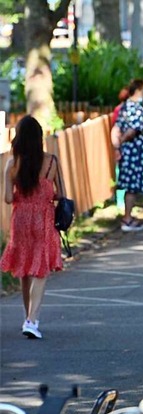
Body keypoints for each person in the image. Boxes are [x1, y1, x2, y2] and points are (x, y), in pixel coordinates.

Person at [1, 115, 64, 339]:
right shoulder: (51, 162)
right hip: (43, 219)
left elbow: (8, 198)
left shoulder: (12, 163)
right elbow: (62, 195)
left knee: (24, 268)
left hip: (20, 220)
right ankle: (32, 319)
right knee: (40, 269)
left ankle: (27, 317)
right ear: (39, 138)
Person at [115, 78, 143, 232]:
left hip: (130, 152)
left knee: (131, 186)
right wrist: (123, 141)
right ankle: (127, 218)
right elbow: (133, 129)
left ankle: (128, 216)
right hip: (133, 152)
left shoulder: (125, 106)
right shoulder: (134, 107)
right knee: (131, 186)